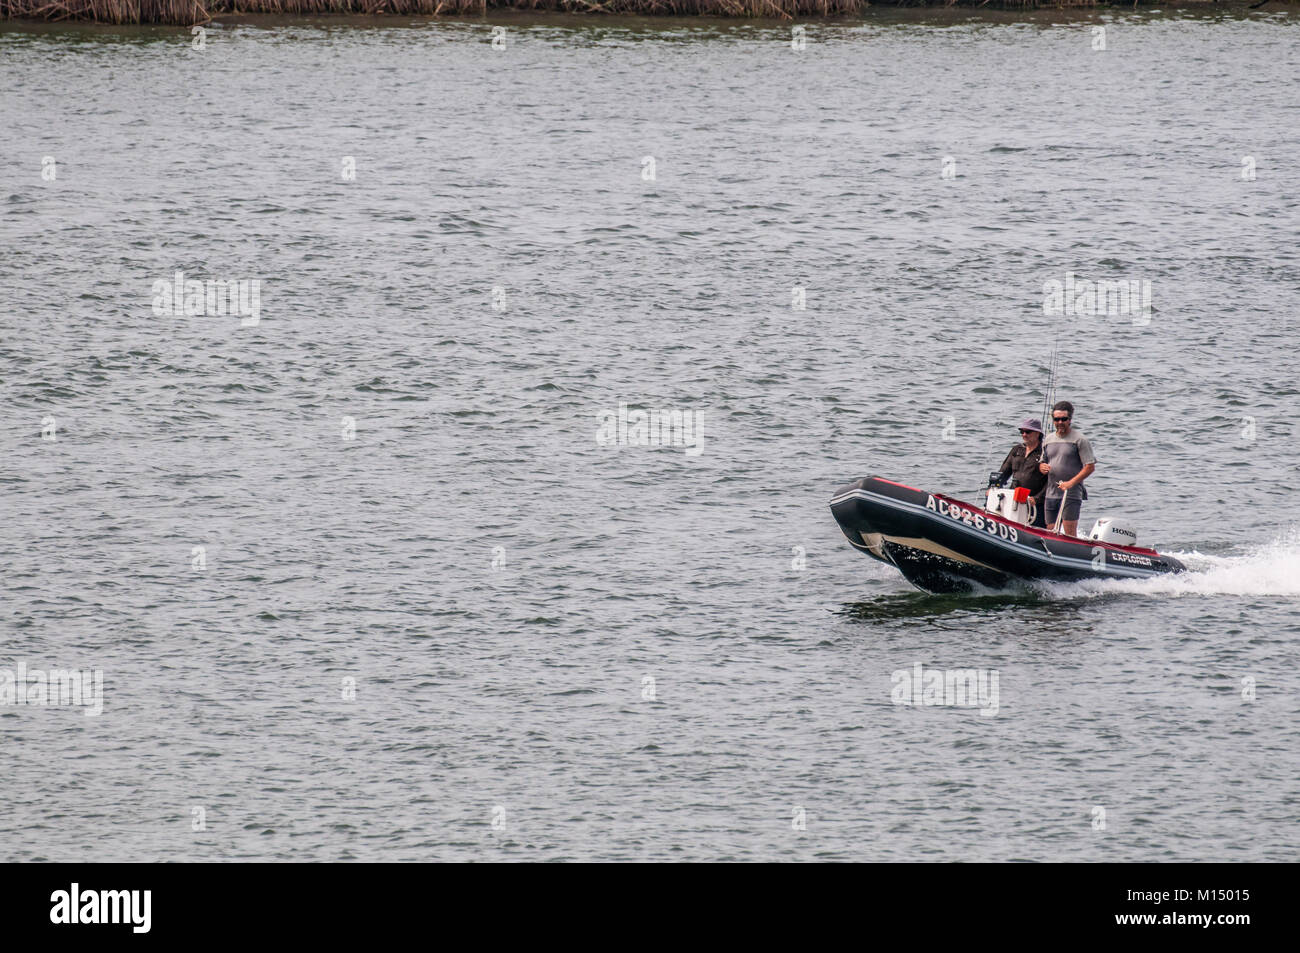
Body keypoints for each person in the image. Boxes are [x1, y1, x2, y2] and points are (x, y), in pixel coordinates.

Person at [1038, 401, 1096, 537]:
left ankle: (1073, 553)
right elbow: (1042, 462)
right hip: (1051, 492)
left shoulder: (1080, 440)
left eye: (1063, 419)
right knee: (1051, 530)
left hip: (1071, 493)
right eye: (1056, 419)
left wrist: (1071, 483)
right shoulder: (1048, 439)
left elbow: (1090, 467)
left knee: (1069, 533)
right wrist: (1042, 467)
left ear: (1070, 420)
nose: (1060, 422)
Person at [993, 418, 1048, 527]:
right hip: (1014, 497)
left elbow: (1051, 481)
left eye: (1027, 432)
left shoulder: (1045, 452)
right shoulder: (1017, 450)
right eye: (1021, 432)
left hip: (1034, 503)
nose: (1024, 435)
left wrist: (1037, 499)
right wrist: (993, 487)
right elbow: (1004, 472)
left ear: (1037, 433)